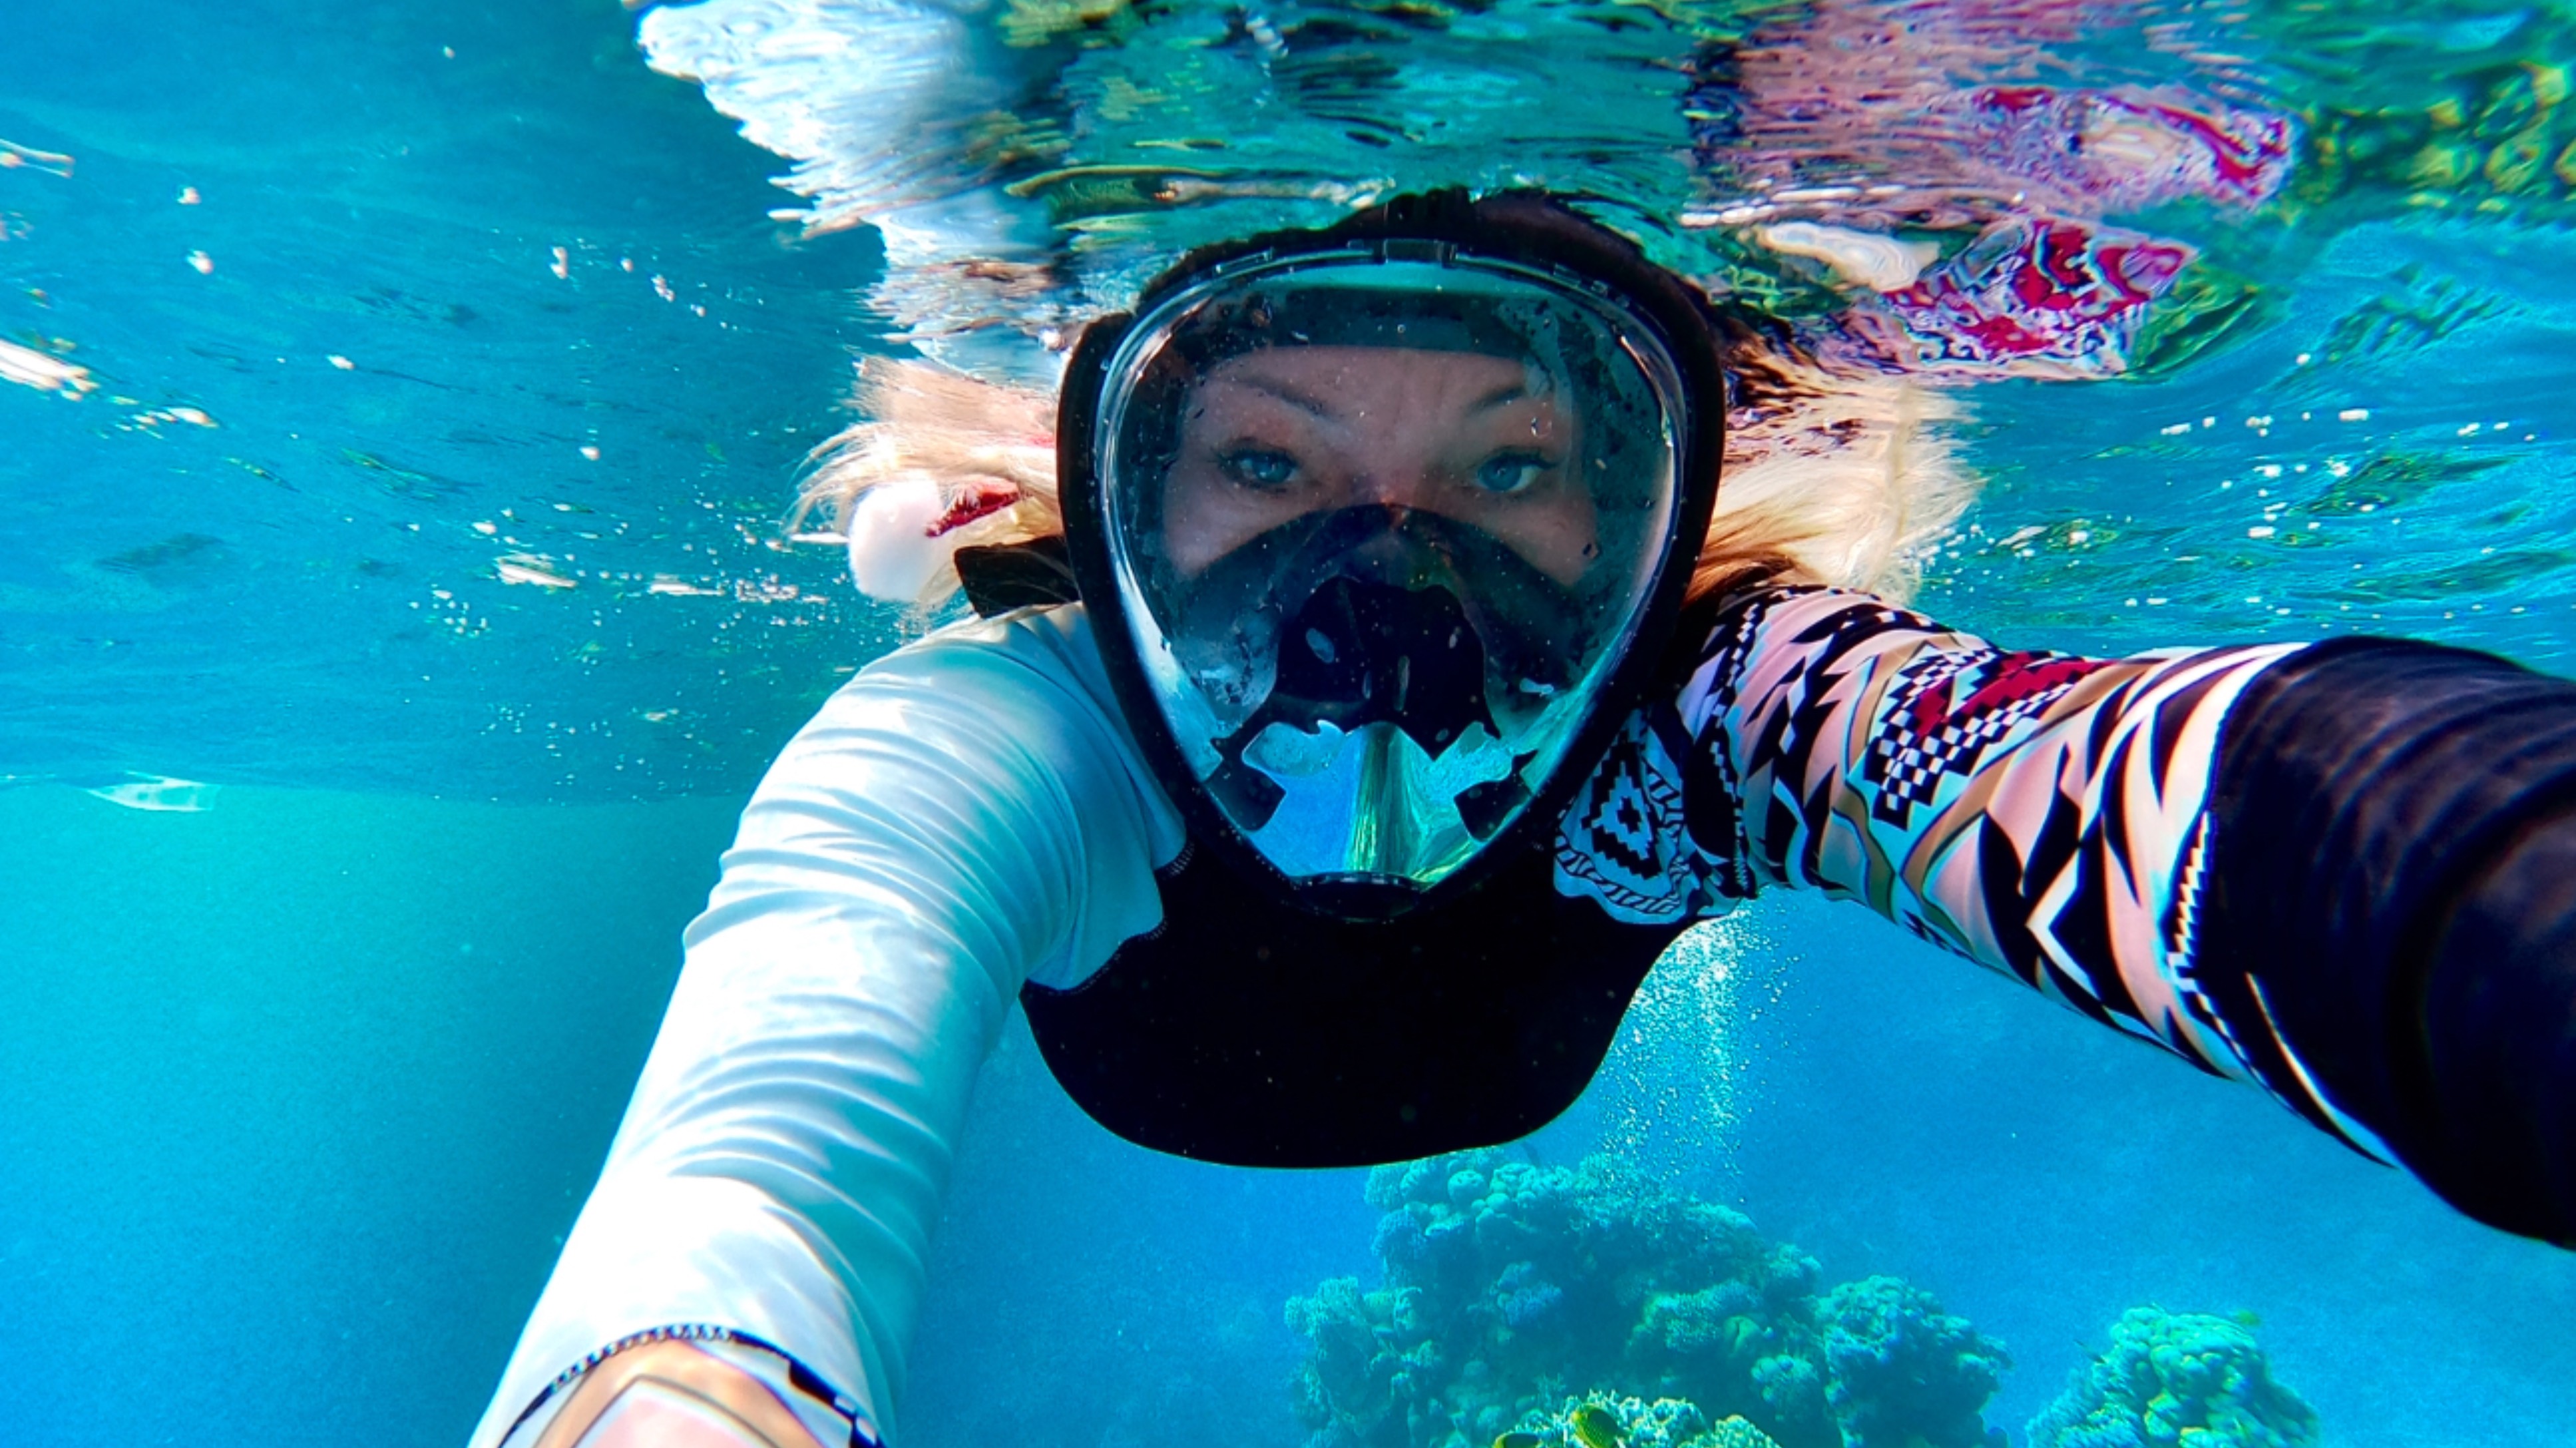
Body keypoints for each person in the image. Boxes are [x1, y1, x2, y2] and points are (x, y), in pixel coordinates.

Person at [471, 191, 2576, 1448]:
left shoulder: (1720, 697)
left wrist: (2505, 899)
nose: (1387, 583)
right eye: (1269, 468)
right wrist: (679, 1391)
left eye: (1507, 472)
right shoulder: (1027, 722)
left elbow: (2100, 776)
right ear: (1132, 505)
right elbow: (763, 1110)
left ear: (1632, 512)